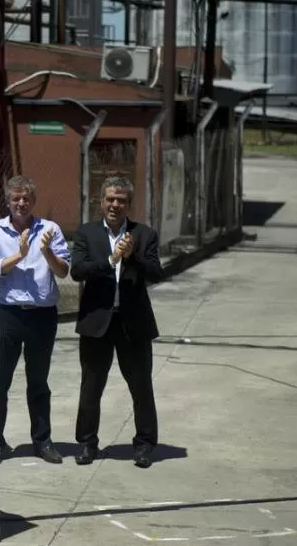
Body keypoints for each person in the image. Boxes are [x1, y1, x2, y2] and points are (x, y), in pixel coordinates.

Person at [69, 175, 164, 469]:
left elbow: (156, 273)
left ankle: (145, 444)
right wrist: (110, 261)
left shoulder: (144, 234)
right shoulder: (87, 233)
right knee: (91, 387)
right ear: (101, 202)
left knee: (141, 387)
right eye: (110, 199)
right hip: (97, 323)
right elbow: (78, 272)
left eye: (121, 200)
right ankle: (86, 444)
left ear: (128, 205)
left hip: (132, 324)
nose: (115, 205)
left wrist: (132, 256)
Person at [0, 175, 70, 465]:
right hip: (6, 314)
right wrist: (20, 254)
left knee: (39, 382)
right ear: (7, 201)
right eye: (15, 198)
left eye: (26, 198)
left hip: (41, 315)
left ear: (34, 200)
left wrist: (45, 251)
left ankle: (42, 440)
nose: (21, 203)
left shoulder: (50, 229)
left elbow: (63, 271)